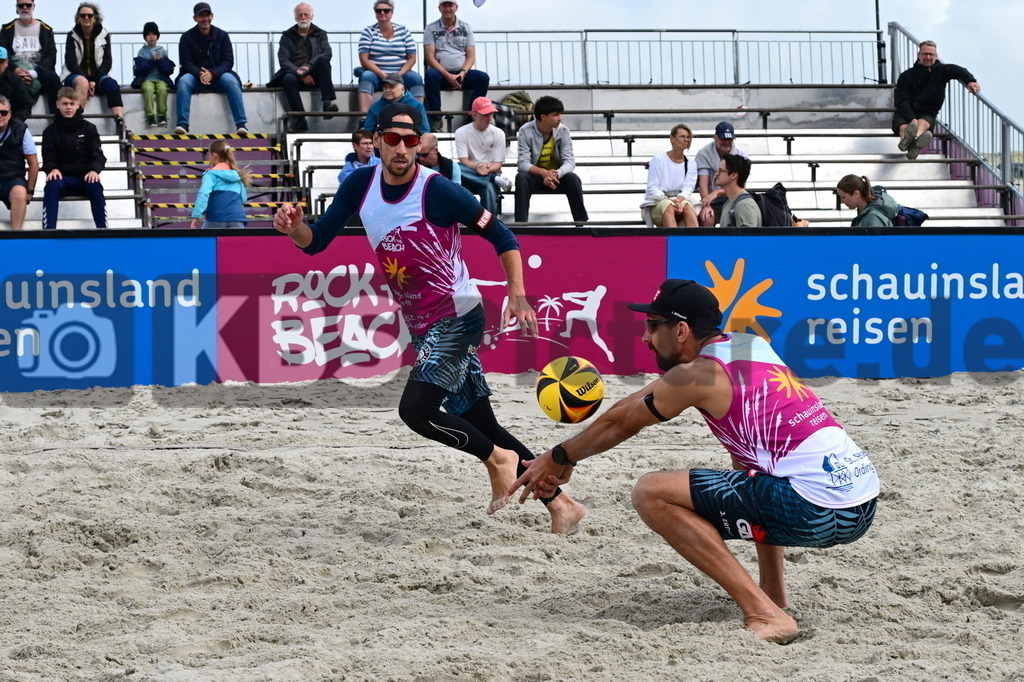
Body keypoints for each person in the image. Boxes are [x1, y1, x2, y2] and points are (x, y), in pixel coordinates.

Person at [509, 278, 879, 643]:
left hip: (815, 509)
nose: (645, 337)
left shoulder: (697, 376)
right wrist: (565, 457)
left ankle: (764, 613)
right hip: (861, 502)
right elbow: (631, 405)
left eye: (653, 325)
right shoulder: (751, 345)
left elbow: (623, 424)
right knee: (749, 468)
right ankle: (773, 595)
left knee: (651, 492)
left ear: (681, 330)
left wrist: (560, 455)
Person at [273, 101, 586, 534]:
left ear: (419, 143)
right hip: (422, 323)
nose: (402, 148)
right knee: (481, 422)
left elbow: (502, 235)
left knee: (417, 411)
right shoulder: (360, 184)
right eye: (393, 139)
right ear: (378, 141)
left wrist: (517, 294)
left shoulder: (438, 189)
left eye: (410, 140)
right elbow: (316, 241)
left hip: (458, 313)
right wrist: (294, 228)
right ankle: (561, 503)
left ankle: (497, 459)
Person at [893, 40, 980, 161]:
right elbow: (902, 101)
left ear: (936, 56)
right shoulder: (906, 76)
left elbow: (959, 70)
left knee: (923, 122)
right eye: (925, 54)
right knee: (903, 125)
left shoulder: (942, 71)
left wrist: (970, 81)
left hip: (928, 112)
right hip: (906, 110)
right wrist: (912, 118)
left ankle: (914, 137)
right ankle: (908, 140)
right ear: (918, 55)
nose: (928, 57)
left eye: (931, 54)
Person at [174, 2, 248, 135]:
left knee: (231, 81)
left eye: (207, 15)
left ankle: (241, 124)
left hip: (218, 76)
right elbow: (186, 63)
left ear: (212, 16)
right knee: (183, 82)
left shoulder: (222, 35)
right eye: (201, 16)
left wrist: (213, 73)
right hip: (195, 77)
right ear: (195, 18)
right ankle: (182, 124)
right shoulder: (186, 37)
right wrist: (200, 73)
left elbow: (228, 61)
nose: (205, 19)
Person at [514, 95, 588, 225]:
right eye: (555, 115)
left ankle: (581, 224)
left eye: (560, 114)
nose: (560, 118)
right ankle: (521, 225)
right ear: (543, 117)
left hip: (556, 177)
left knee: (573, 179)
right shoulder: (525, 130)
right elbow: (523, 163)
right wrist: (543, 173)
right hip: (536, 177)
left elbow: (570, 162)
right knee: (521, 178)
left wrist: (556, 173)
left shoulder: (563, 130)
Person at [268, 3, 339, 134]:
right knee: (287, 78)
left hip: (316, 75)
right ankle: (300, 119)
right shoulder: (287, 36)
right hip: (295, 75)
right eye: (300, 15)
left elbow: (327, 53)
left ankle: (327, 103)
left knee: (323, 60)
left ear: (312, 16)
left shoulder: (320, 34)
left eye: (306, 14)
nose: (303, 17)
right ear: (295, 17)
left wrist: (308, 67)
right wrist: (301, 73)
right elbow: (283, 60)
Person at [41, 87, 106, 229]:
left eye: (72, 103)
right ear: (57, 105)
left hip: (84, 178)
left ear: (78, 105)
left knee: (95, 185)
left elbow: (98, 155)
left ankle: (103, 230)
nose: (68, 107)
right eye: (65, 104)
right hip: (61, 178)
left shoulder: (89, 128)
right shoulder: (49, 131)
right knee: (51, 185)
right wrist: (52, 169)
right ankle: (48, 231)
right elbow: (48, 156)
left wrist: (94, 170)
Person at [423, 0, 489, 133]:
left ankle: (471, 117)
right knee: (430, 75)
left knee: (483, 78)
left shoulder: (466, 28)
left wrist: (463, 73)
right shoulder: (430, 28)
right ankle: (436, 119)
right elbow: (430, 58)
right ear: (439, 8)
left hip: (461, 72)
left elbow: (471, 56)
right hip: (441, 73)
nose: (447, 8)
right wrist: (447, 75)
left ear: (456, 7)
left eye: (450, 5)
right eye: (444, 5)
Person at [356, 0, 424, 113]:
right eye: (379, 11)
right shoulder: (368, 31)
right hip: (376, 74)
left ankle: (417, 115)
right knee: (366, 77)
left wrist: (398, 75)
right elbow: (364, 59)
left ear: (392, 13)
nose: (382, 13)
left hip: (401, 74)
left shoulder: (403, 30)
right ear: (375, 13)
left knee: (416, 78)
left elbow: (412, 58)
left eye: (386, 10)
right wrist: (383, 75)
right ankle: (364, 117)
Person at [62, 3, 123, 120]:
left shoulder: (104, 35)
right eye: (83, 15)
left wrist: (94, 80)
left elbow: (107, 61)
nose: (86, 18)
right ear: (78, 18)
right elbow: (71, 62)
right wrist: (87, 80)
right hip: (75, 76)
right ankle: (77, 122)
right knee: (82, 82)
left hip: (99, 77)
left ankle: (120, 122)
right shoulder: (72, 35)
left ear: (95, 18)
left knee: (112, 85)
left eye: (90, 15)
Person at [0, 0, 60, 114]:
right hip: (14, 70)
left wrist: (34, 73)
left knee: (52, 78)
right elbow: (3, 54)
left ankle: (57, 118)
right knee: (5, 79)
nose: (24, 7)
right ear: (16, 8)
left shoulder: (45, 29)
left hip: (39, 71)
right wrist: (15, 70)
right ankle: (6, 117)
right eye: (21, 5)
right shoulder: (7, 29)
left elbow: (51, 56)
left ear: (33, 7)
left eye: (28, 5)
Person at [455, 96, 508, 216]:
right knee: (456, 167)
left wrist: (487, 170)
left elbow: (498, 163)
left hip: (489, 172)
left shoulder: (499, 133)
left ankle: (489, 223)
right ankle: (492, 179)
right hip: (470, 174)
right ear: (474, 115)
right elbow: (463, 161)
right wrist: (477, 167)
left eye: (491, 114)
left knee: (487, 186)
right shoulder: (461, 132)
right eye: (485, 115)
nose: (489, 118)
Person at [643, 123, 698, 227]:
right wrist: (670, 200)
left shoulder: (691, 163)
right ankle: (673, 237)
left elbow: (688, 188)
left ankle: (696, 237)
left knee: (688, 207)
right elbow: (652, 187)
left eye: (688, 137)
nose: (686, 140)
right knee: (669, 206)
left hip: (679, 201)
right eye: (682, 137)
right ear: (672, 139)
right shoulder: (658, 159)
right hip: (656, 203)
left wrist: (678, 200)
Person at [695, 121, 748, 227]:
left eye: (730, 139)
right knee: (707, 217)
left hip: (734, 198)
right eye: (723, 139)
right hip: (712, 201)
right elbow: (703, 184)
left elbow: (741, 187)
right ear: (714, 137)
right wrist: (706, 205)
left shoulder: (741, 156)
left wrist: (717, 192)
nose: (727, 142)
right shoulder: (704, 154)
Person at [190, 139, 249, 229]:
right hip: (237, 218)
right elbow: (243, 198)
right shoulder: (236, 175)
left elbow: (204, 194)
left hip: (215, 217)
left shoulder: (210, 174)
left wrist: (196, 215)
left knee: (205, 238)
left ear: (214, 155)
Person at [0, 93, 37, 230]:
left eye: (3, 113)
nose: (0, 116)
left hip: (13, 179)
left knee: (20, 193)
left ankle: (16, 235)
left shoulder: (21, 130)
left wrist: (30, 190)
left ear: (10, 114)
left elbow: (33, 163)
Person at [131, 22, 174, 129]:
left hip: (161, 79)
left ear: (157, 36)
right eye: (148, 34)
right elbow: (140, 68)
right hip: (147, 79)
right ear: (145, 37)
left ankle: (162, 115)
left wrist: (160, 61)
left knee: (162, 89)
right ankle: (150, 116)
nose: (151, 37)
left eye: (154, 34)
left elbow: (168, 69)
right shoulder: (142, 52)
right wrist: (152, 61)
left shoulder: (163, 51)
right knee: (147, 89)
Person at [362, 72, 428, 134]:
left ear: (402, 89)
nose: (387, 90)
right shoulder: (375, 107)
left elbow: (424, 130)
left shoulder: (417, 105)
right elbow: (368, 132)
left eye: (391, 87)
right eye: (385, 87)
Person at [717, 154, 760, 227]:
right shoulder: (729, 202)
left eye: (720, 171)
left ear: (733, 175)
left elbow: (748, 234)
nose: (717, 174)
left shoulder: (744, 205)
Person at [0, 46, 30, 121]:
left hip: (11, 123)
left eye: (1, 62)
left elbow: (25, 106)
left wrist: (14, 122)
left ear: (7, 63)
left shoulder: (15, 80)